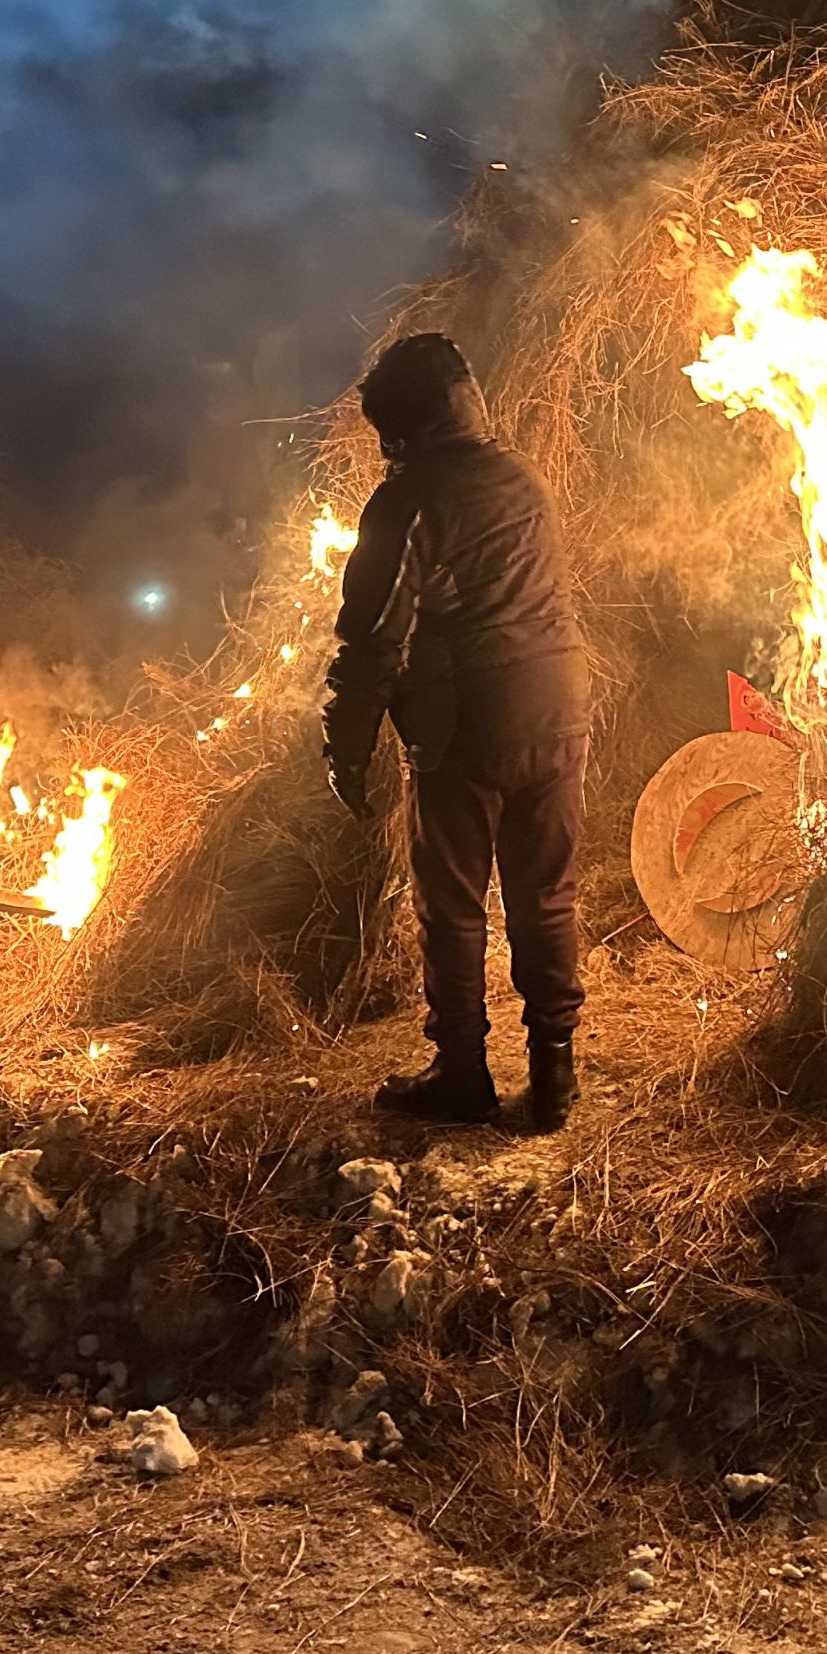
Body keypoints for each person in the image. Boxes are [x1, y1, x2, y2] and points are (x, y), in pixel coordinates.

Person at [322, 333, 593, 1132]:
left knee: (454, 905)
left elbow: (373, 635)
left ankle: (462, 1074)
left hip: (471, 719)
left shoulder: (411, 499)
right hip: (560, 701)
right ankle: (554, 1075)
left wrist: (347, 739)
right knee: (547, 893)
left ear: (404, 428)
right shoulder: (523, 480)